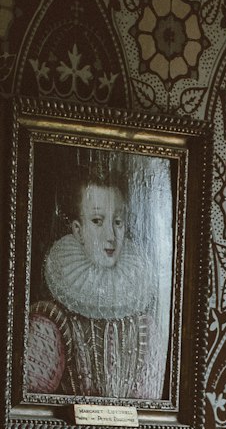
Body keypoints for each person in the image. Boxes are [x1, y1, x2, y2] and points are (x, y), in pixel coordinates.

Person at [25, 169, 168, 401]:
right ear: (77, 230)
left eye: (118, 222)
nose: (111, 235)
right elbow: (30, 406)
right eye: (97, 221)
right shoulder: (50, 321)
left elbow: (149, 407)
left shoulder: (146, 328)